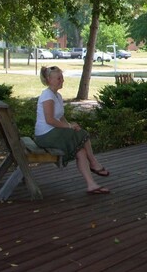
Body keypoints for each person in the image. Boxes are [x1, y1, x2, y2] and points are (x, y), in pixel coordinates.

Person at [35, 66, 110, 195]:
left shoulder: (56, 95)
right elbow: (50, 120)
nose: (62, 80)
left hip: (53, 133)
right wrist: (69, 127)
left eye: (62, 78)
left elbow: (60, 117)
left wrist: (70, 125)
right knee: (83, 134)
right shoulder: (47, 95)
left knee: (80, 151)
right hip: (45, 135)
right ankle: (93, 162)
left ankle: (91, 185)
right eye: (58, 78)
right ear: (49, 79)